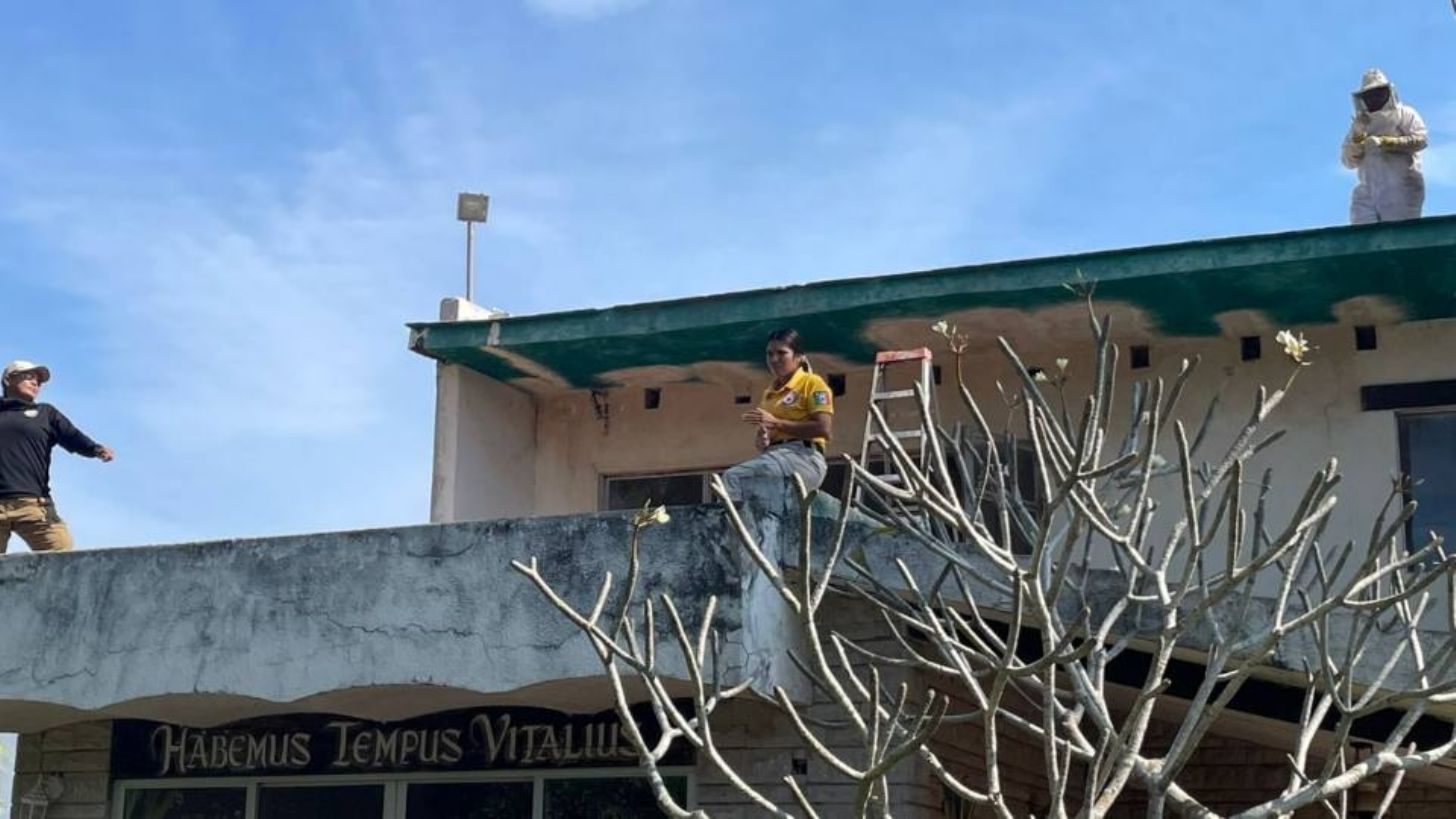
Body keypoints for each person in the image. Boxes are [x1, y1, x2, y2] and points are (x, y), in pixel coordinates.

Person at [0, 360, 114, 553]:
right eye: (29, 377)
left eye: (38, 381)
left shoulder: (45, 413)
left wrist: (94, 449)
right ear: (8, 380)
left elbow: (71, 436)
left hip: (35, 506)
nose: (35, 383)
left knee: (63, 557)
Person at [721, 329, 833, 503]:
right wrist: (762, 439)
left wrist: (777, 423)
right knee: (760, 502)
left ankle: (734, 522)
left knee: (733, 478)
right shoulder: (769, 394)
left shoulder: (812, 383)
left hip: (804, 457)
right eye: (770, 354)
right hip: (774, 457)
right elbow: (763, 440)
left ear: (798, 356)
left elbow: (824, 429)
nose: (774, 359)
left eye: (781, 353)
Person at [1341, 68, 1427, 225]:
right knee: (1364, 235)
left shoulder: (1405, 114)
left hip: (1401, 187)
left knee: (1398, 234)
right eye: (1370, 95)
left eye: (1378, 93)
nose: (1374, 98)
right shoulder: (1360, 124)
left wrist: (1387, 142)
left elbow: (1421, 139)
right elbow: (1348, 161)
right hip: (1368, 189)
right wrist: (1358, 136)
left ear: (1388, 92)